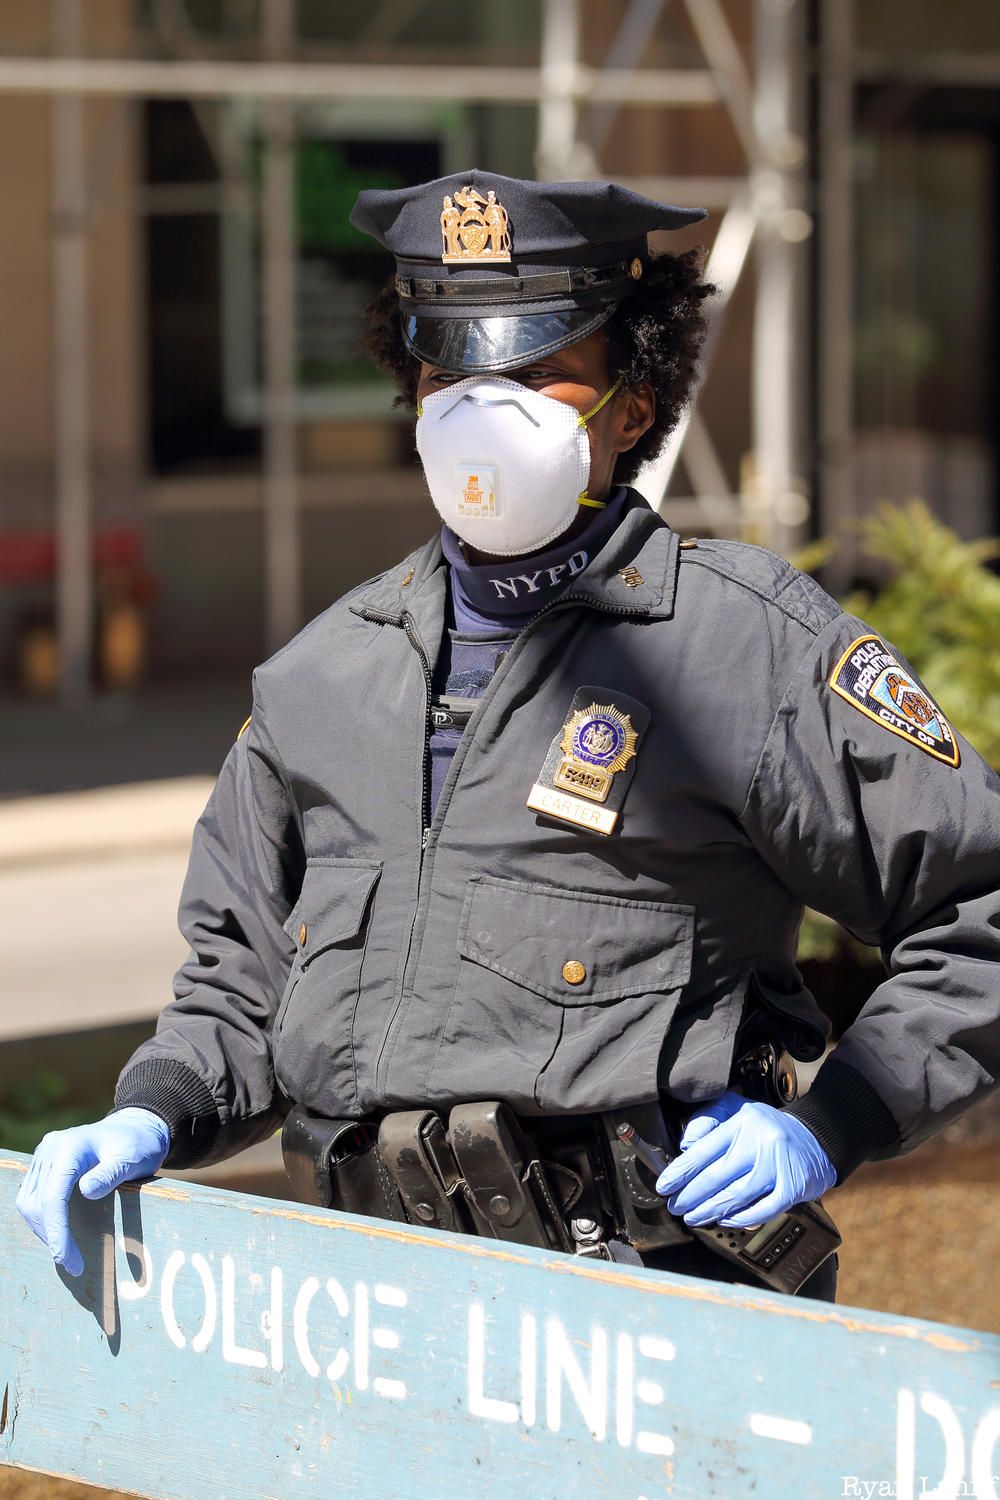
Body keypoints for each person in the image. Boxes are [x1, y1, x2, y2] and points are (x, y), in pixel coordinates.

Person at [16, 171, 1000, 1302]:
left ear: (631, 407)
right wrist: (152, 1111)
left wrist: (836, 1122)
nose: (481, 412)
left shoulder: (748, 648)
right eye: (450, 376)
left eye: (533, 375)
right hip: (374, 1299)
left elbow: (977, 909)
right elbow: (238, 985)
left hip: (650, 1299)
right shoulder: (322, 677)